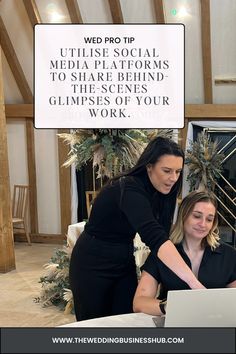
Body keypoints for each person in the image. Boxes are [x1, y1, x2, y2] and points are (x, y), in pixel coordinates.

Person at [69, 137, 205, 321]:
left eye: (178, 171)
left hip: (123, 257)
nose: (173, 178)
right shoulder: (128, 187)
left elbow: (162, 236)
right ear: (149, 166)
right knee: (94, 325)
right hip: (92, 261)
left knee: (126, 320)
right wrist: (194, 284)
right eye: (166, 171)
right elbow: (156, 238)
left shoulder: (162, 191)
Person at [133, 191, 236, 316]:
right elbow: (139, 302)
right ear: (183, 216)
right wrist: (170, 307)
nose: (203, 224)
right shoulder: (163, 253)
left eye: (209, 219)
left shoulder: (228, 255)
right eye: (197, 216)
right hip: (173, 325)